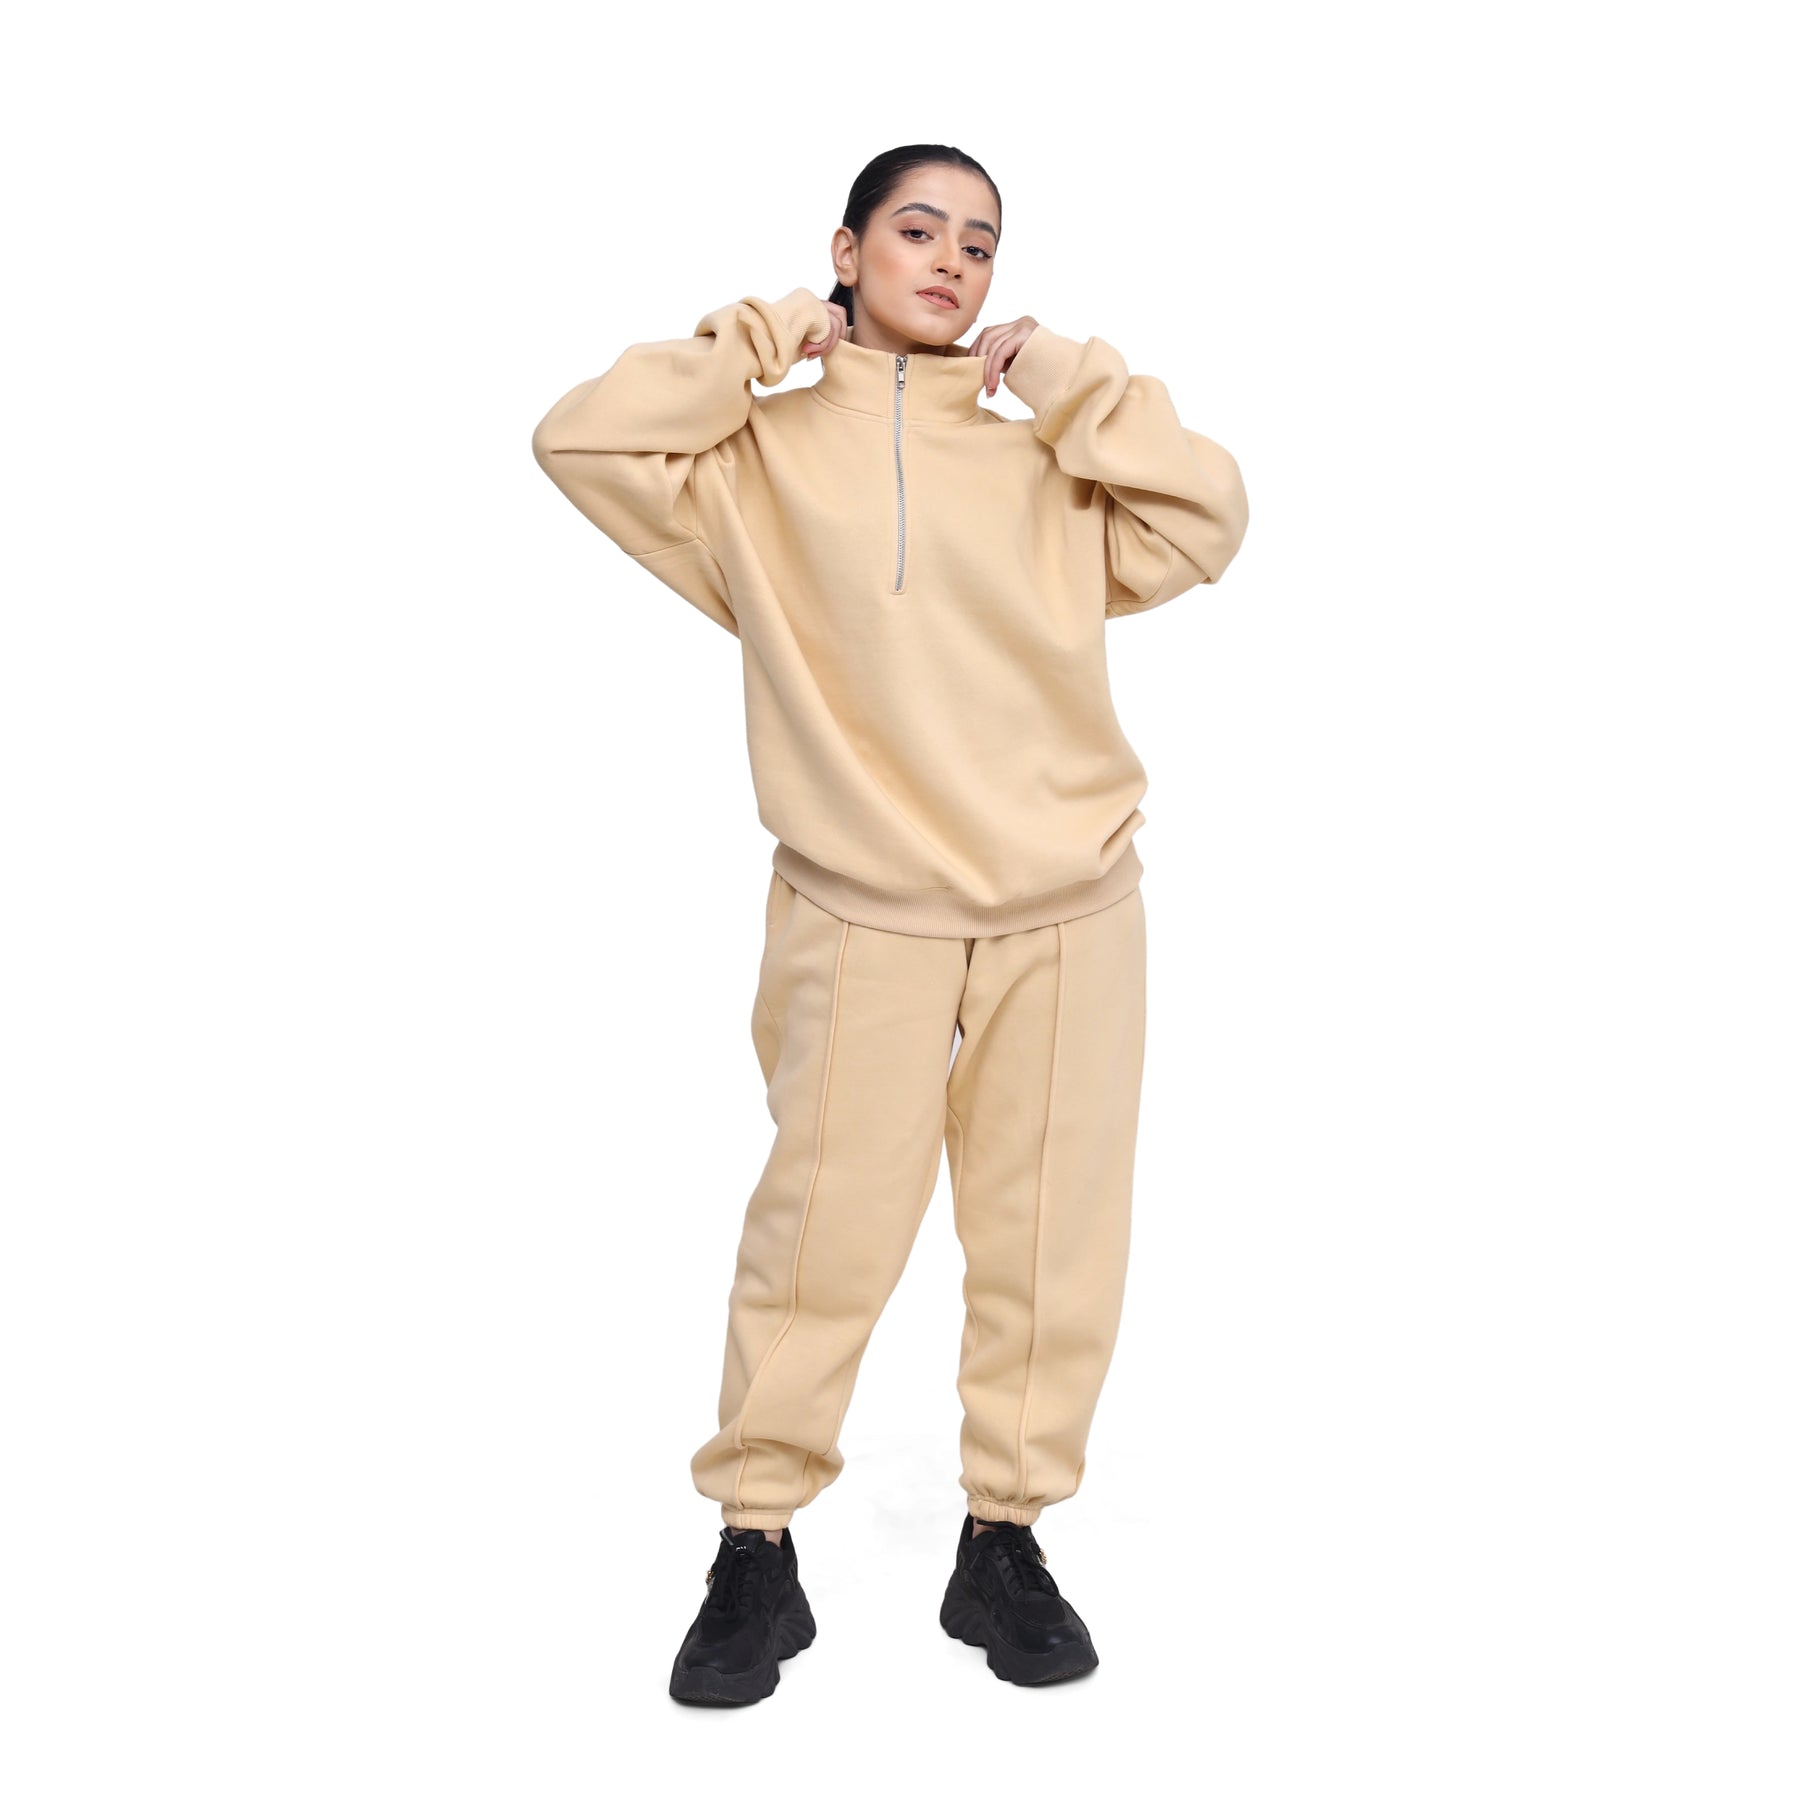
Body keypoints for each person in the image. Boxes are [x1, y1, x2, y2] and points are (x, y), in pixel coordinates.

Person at [531, 143, 1250, 1704]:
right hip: (860, 908)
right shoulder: (752, 467)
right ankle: (756, 1545)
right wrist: (752, 340)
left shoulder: (1048, 465)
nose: (953, 261)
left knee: (1053, 1240)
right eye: (919, 229)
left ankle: (1005, 1540)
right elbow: (579, 438)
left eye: (981, 244)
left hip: (1071, 908)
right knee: (822, 1232)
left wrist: (1066, 380)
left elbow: (1208, 520)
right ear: (847, 250)